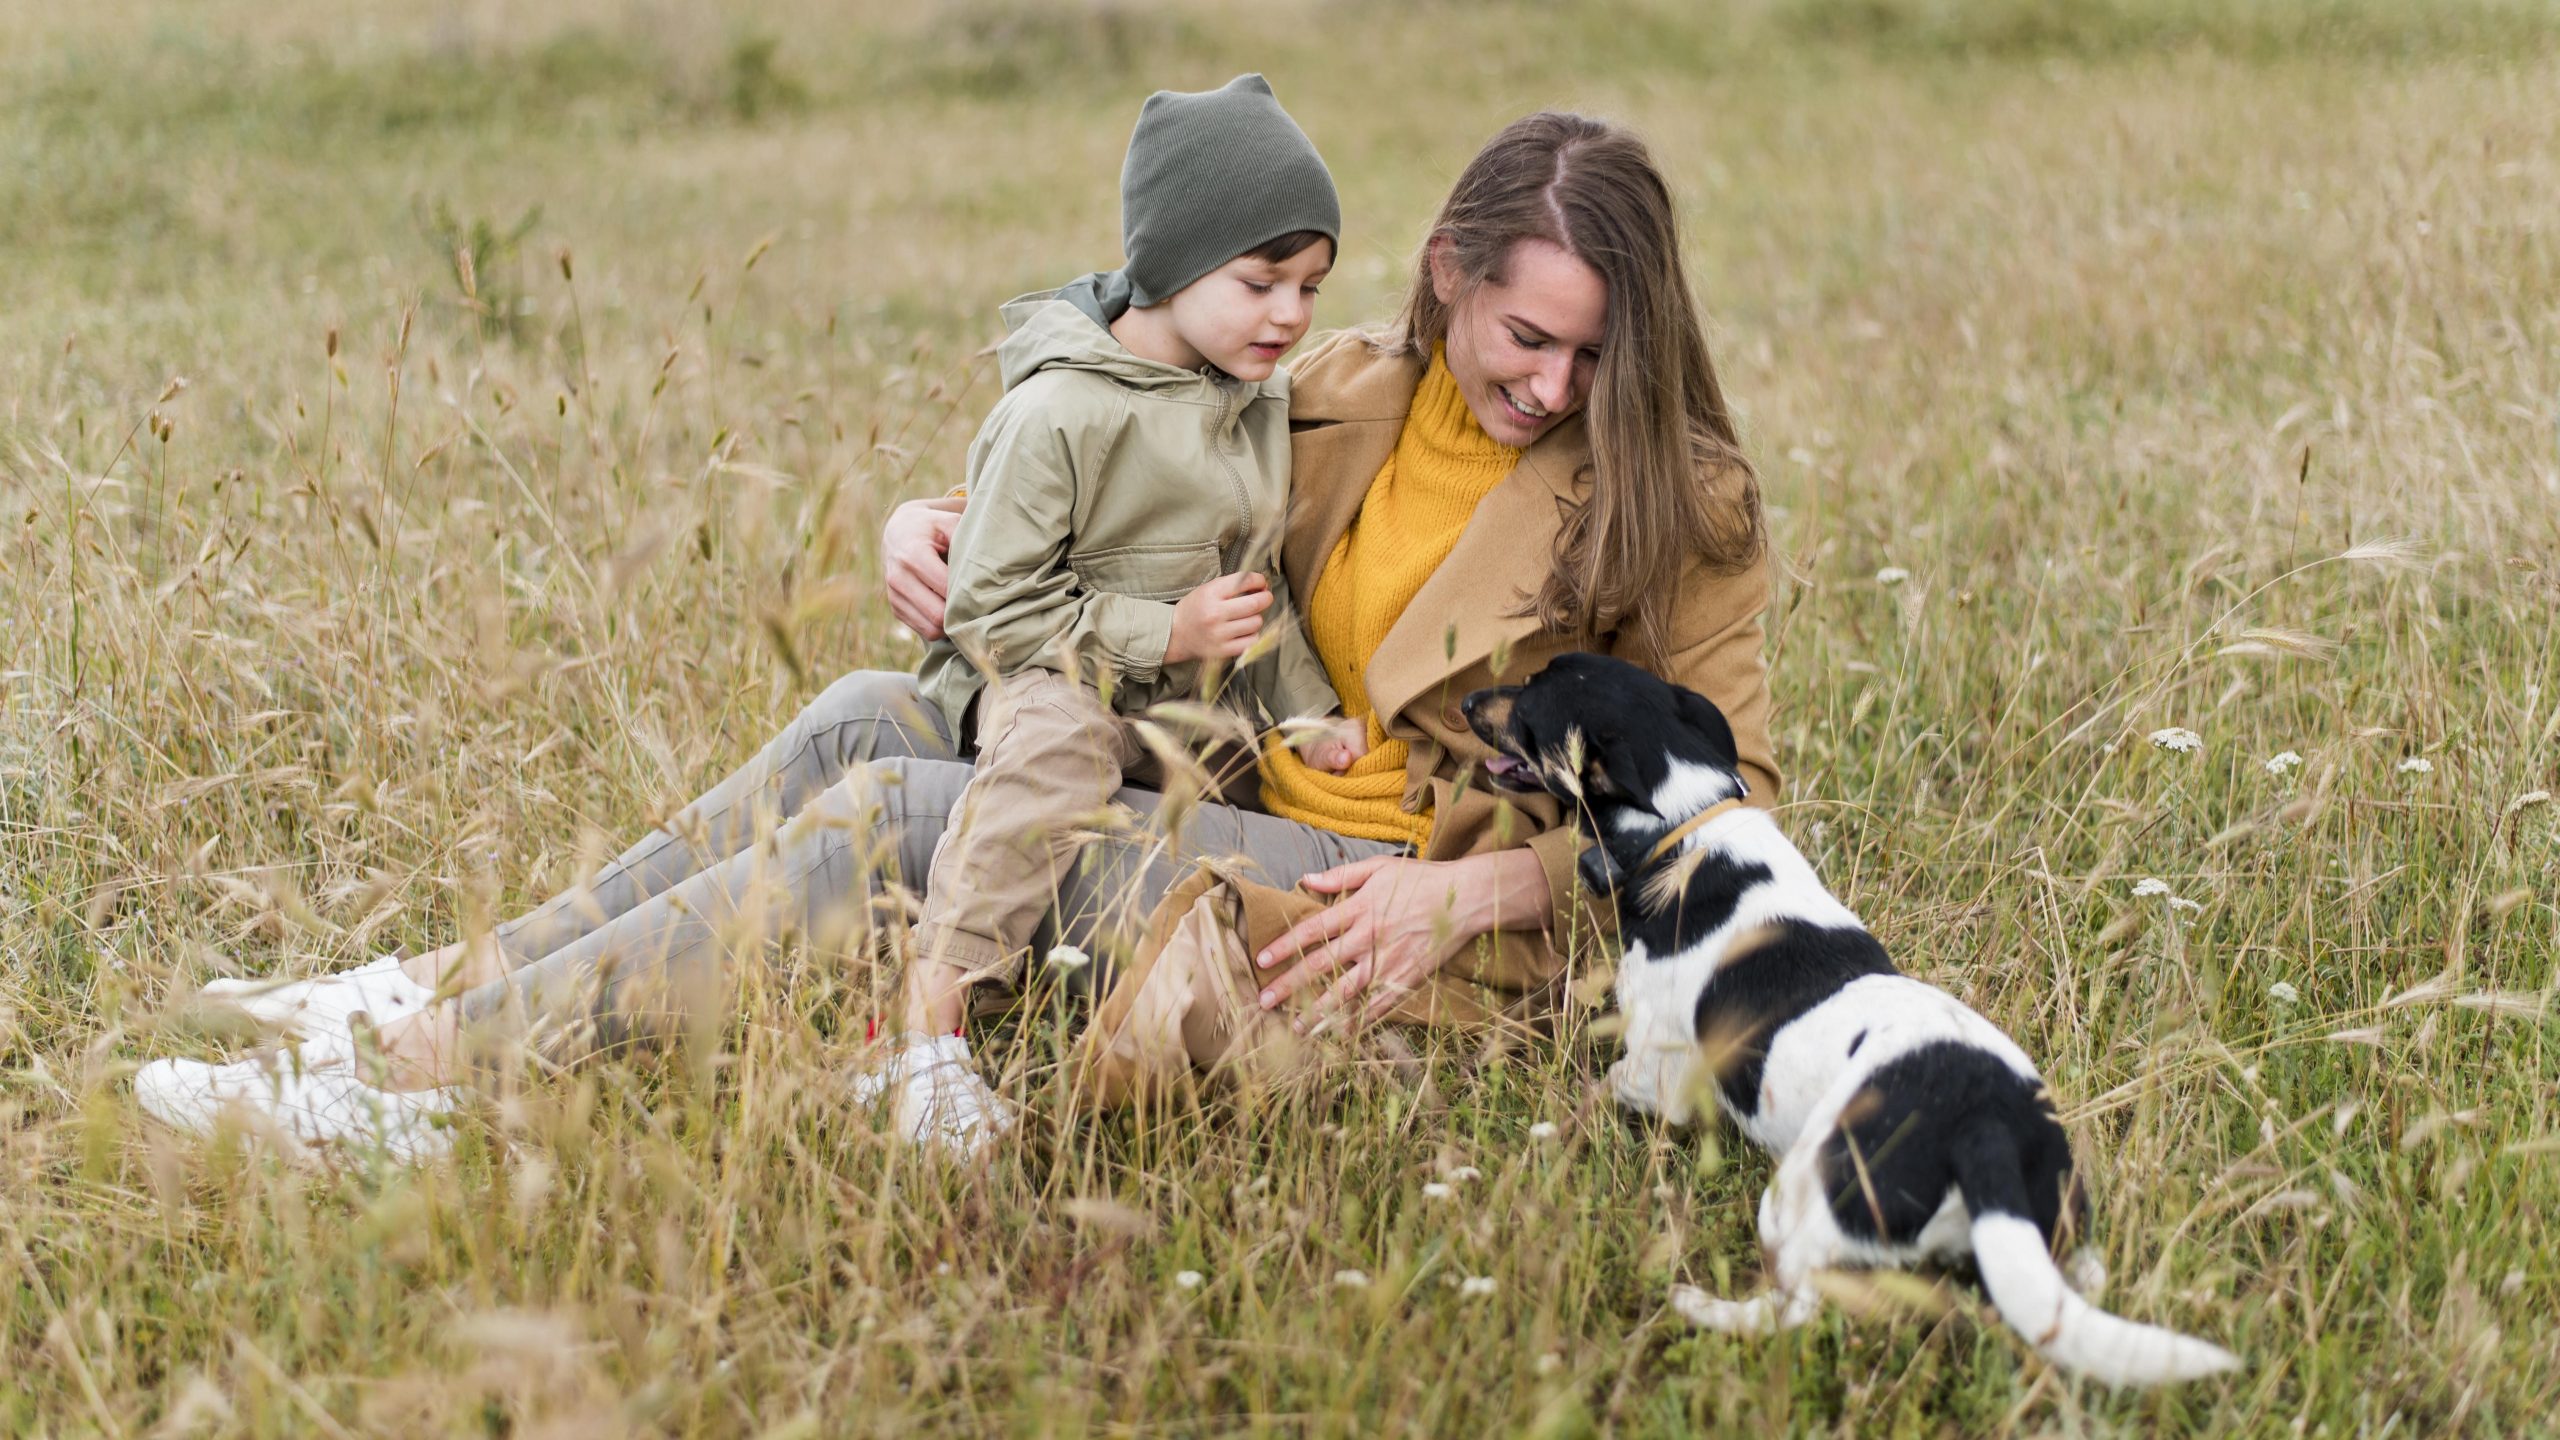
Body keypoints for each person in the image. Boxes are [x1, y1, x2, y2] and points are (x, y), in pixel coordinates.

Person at [135, 108, 1782, 1164]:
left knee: (906, 830)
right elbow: (1124, 463)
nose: (1552, 387)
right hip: (1246, 778)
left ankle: (410, 1090)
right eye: (1523, 337)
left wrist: (1472, 888)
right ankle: (424, 987)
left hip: (1387, 898)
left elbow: (1744, 812)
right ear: (1447, 277)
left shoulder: (1676, 496)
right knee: (870, 713)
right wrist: (930, 525)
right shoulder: (1341, 385)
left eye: (1590, 353)